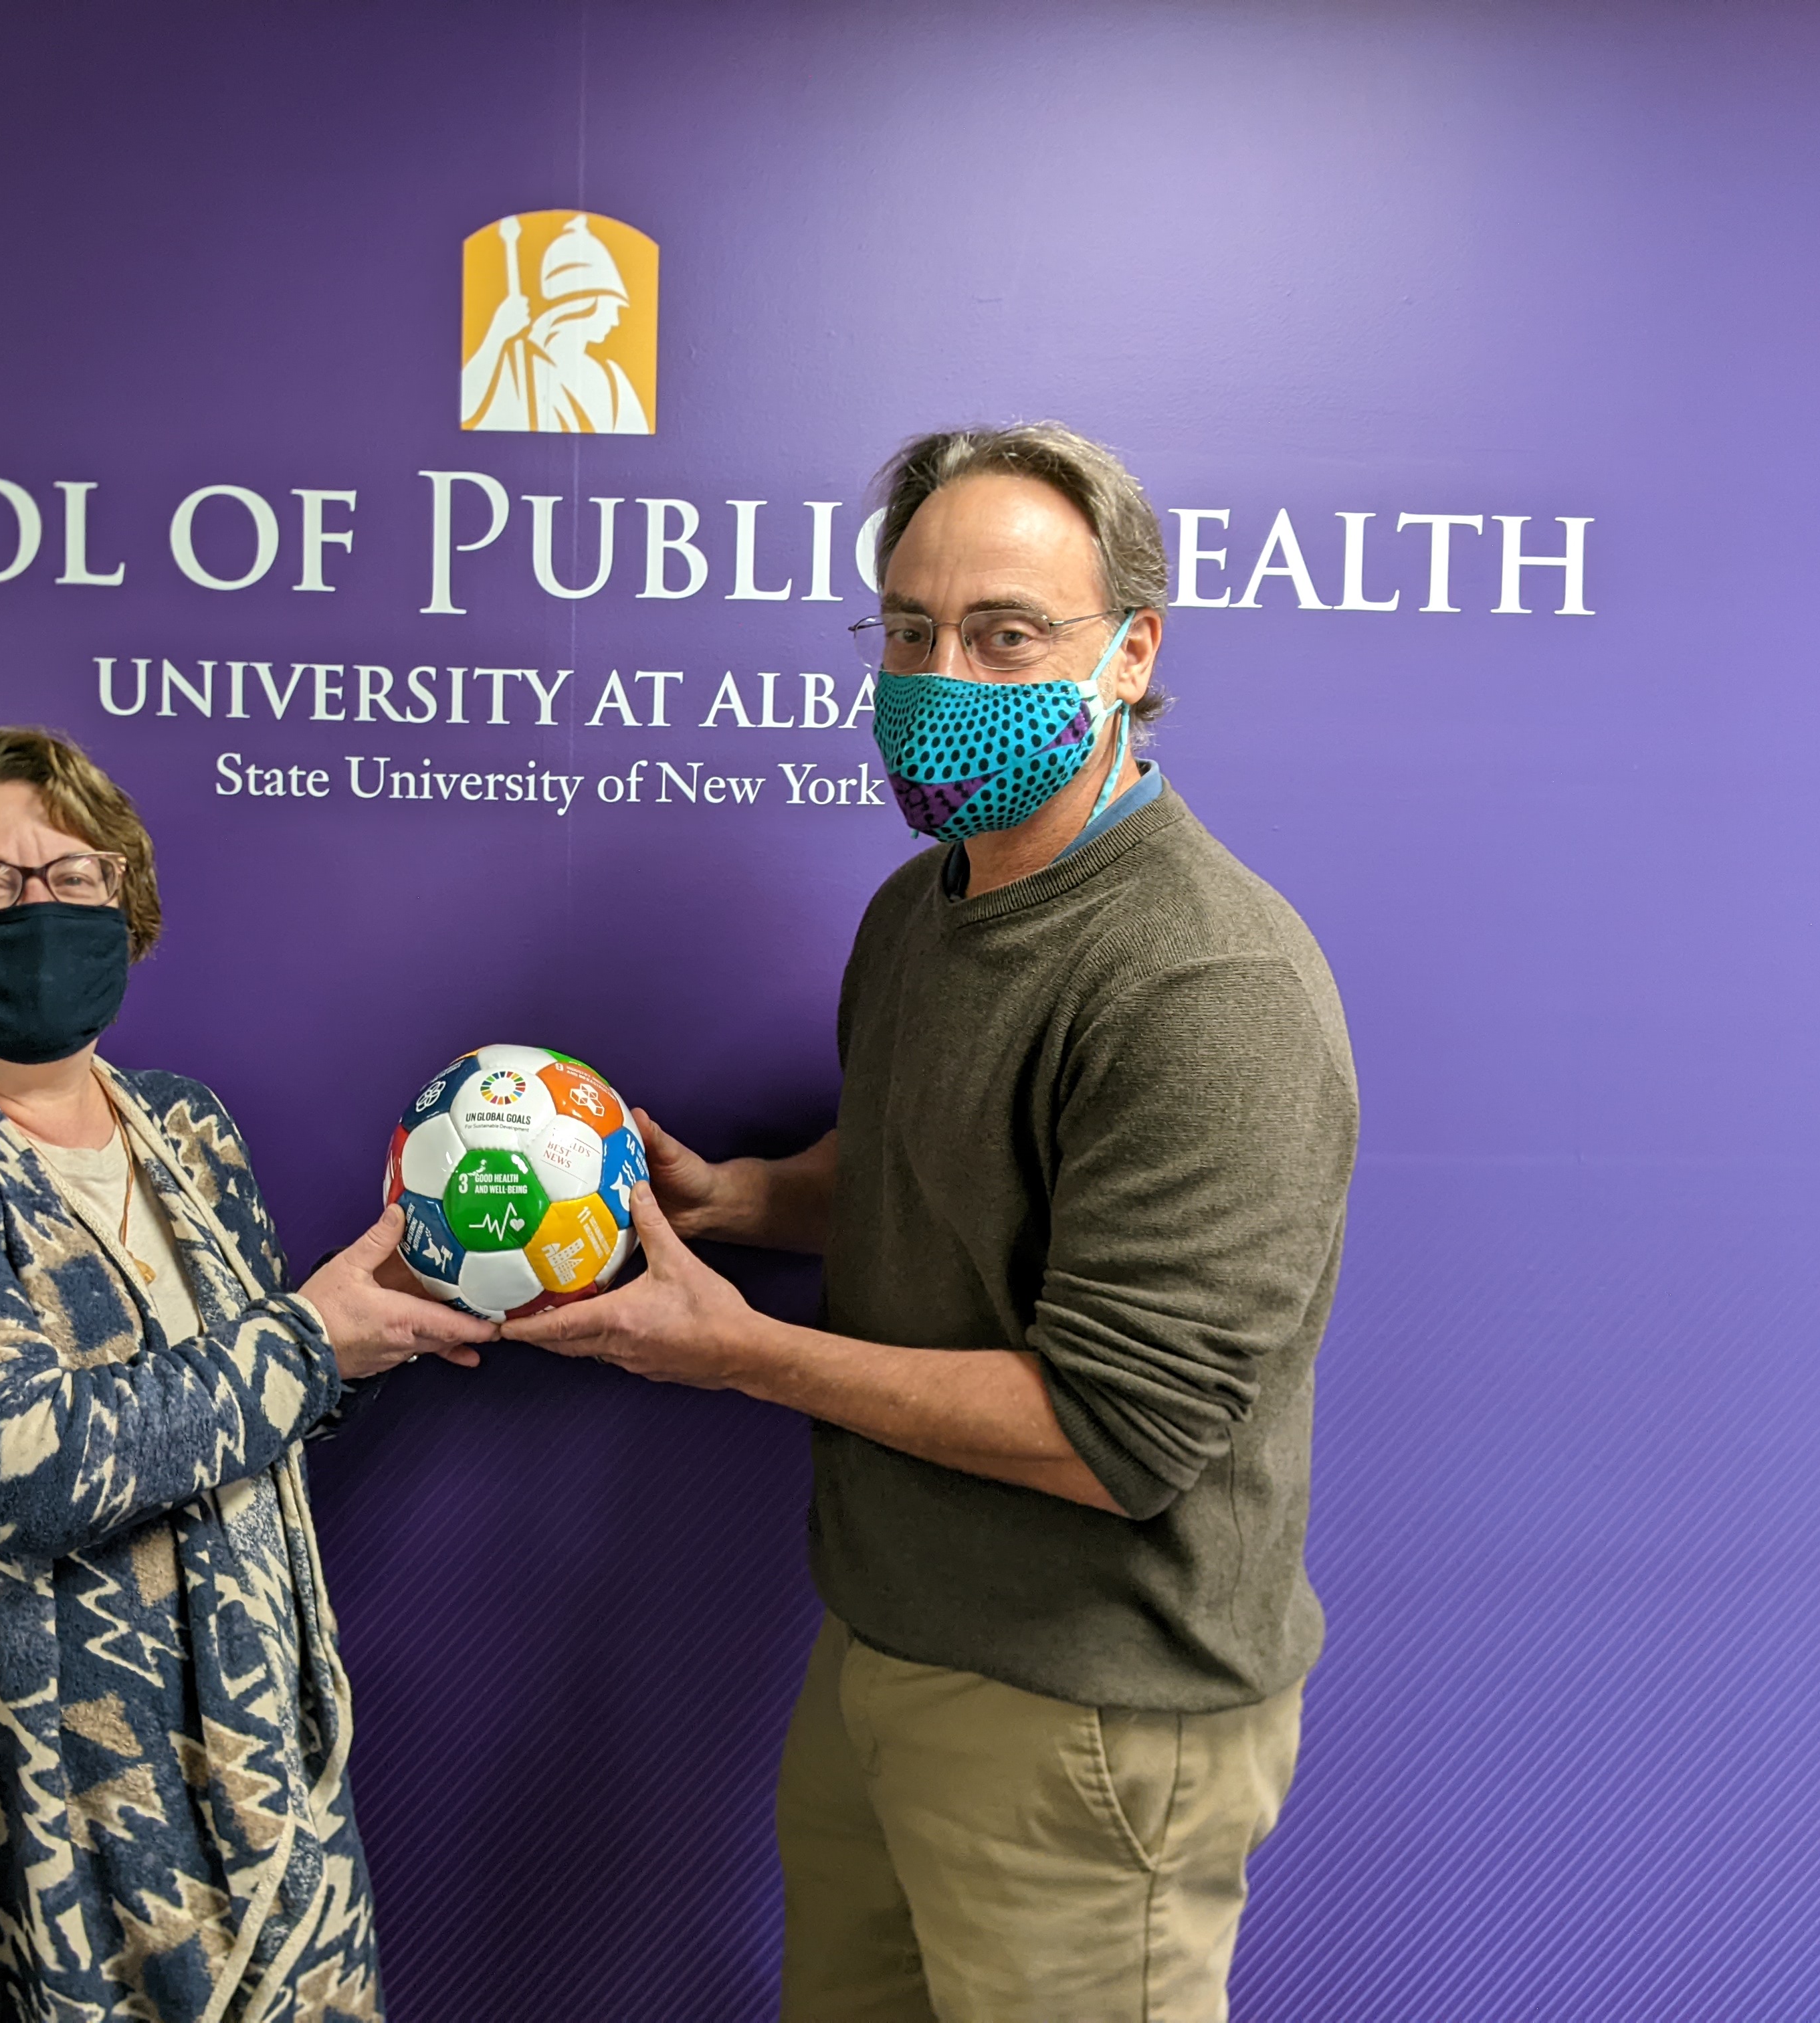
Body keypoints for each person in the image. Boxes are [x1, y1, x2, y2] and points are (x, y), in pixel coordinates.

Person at [504, 425, 1359, 2022]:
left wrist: (744, 1357)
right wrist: (749, 1199)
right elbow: (936, 1168)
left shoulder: (1205, 986)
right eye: (908, 630)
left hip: (1091, 1713)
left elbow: (1114, 1431)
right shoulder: (926, 905)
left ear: (1130, 652)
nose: (939, 673)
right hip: (884, 1647)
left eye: (1004, 634)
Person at [0, 726, 490, 2022]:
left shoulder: (182, 1129)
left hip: (232, 1816)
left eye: (80, 879)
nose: (42, 908)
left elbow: (226, 1417)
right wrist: (310, 1342)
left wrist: (387, 1321)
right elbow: (24, 1462)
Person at [460, 213, 649, 434]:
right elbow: (466, 410)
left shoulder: (613, 379)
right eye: (611, 308)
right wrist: (497, 335)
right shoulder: (515, 361)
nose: (616, 321)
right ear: (585, 305)